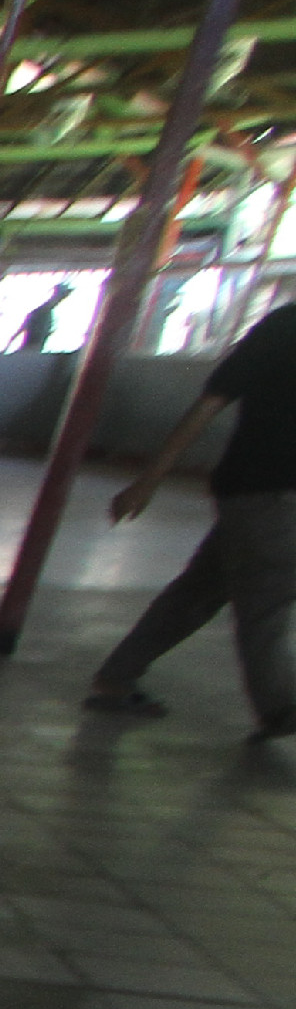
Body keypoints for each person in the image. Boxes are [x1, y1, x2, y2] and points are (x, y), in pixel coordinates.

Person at [82, 296, 296, 734]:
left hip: (249, 496)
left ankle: (116, 678)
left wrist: (150, 478)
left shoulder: (278, 325)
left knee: (197, 593)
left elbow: (211, 400)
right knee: (266, 607)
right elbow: (212, 401)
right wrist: (148, 478)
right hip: (275, 499)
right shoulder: (284, 329)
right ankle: (281, 710)